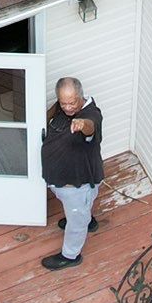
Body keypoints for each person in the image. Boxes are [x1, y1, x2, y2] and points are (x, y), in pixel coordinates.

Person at [40, 76, 104, 270]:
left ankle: (70, 255)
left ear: (80, 96)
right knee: (82, 206)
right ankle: (89, 221)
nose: (67, 107)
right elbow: (51, 113)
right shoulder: (62, 107)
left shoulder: (91, 114)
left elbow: (90, 127)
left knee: (76, 222)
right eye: (63, 102)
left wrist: (81, 124)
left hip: (78, 185)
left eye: (72, 102)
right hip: (63, 182)